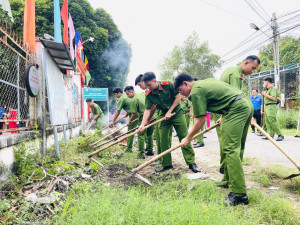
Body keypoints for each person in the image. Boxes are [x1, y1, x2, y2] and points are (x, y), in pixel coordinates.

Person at [174, 73, 252, 206]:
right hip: (243, 104)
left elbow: (200, 120)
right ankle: (229, 180)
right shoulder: (205, 82)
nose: (183, 95)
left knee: (230, 149)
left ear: (186, 84)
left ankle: (239, 194)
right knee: (237, 147)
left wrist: (188, 138)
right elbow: (223, 96)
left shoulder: (196, 91)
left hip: (236, 109)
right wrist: (223, 114)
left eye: (181, 91)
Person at [138, 72, 200, 173]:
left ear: (155, 81)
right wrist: (142, 124)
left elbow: (178, 97)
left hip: (177, 112)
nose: (148, 87)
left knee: (184, 136)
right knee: (163, 139)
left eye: (149, 85)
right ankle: (166, 164)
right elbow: (147, 110)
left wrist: (170, 111)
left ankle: (191, 163)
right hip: (163, 114)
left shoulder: (168, 84)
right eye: (146, 85)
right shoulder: (148, 94)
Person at [216, 55, 260, 174]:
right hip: (225, 111)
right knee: (230, 142)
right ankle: (227, 168)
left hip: (225, 110)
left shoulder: (233, 71)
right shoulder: (235, 75)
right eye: (253, 68)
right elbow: (234, 99)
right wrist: (222, 116)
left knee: (227, 141)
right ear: (246, 63)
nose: (252, 71)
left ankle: (226, 167)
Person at [124, 86, 154, 159]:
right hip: (152, 116)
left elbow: (134, 114)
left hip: (143, 117)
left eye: (128, 94)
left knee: (141, 135)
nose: (127, 96)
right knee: (150, 134)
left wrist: (130, 121)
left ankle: (141, 153)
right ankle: (150, 150)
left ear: (132, 92)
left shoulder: (134, 99)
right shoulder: (142, 94)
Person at [110, 87, 135, 152]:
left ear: (119, 93)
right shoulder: (125, 96)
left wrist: (113, 121)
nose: (115, 96)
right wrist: (127, 114)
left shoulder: (121, 99)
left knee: (130, 131)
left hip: (134, 114)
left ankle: (129, 149)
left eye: (115, 94)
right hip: (133, 113)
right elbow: (130, 105)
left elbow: (118, 112)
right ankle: (148, 148)